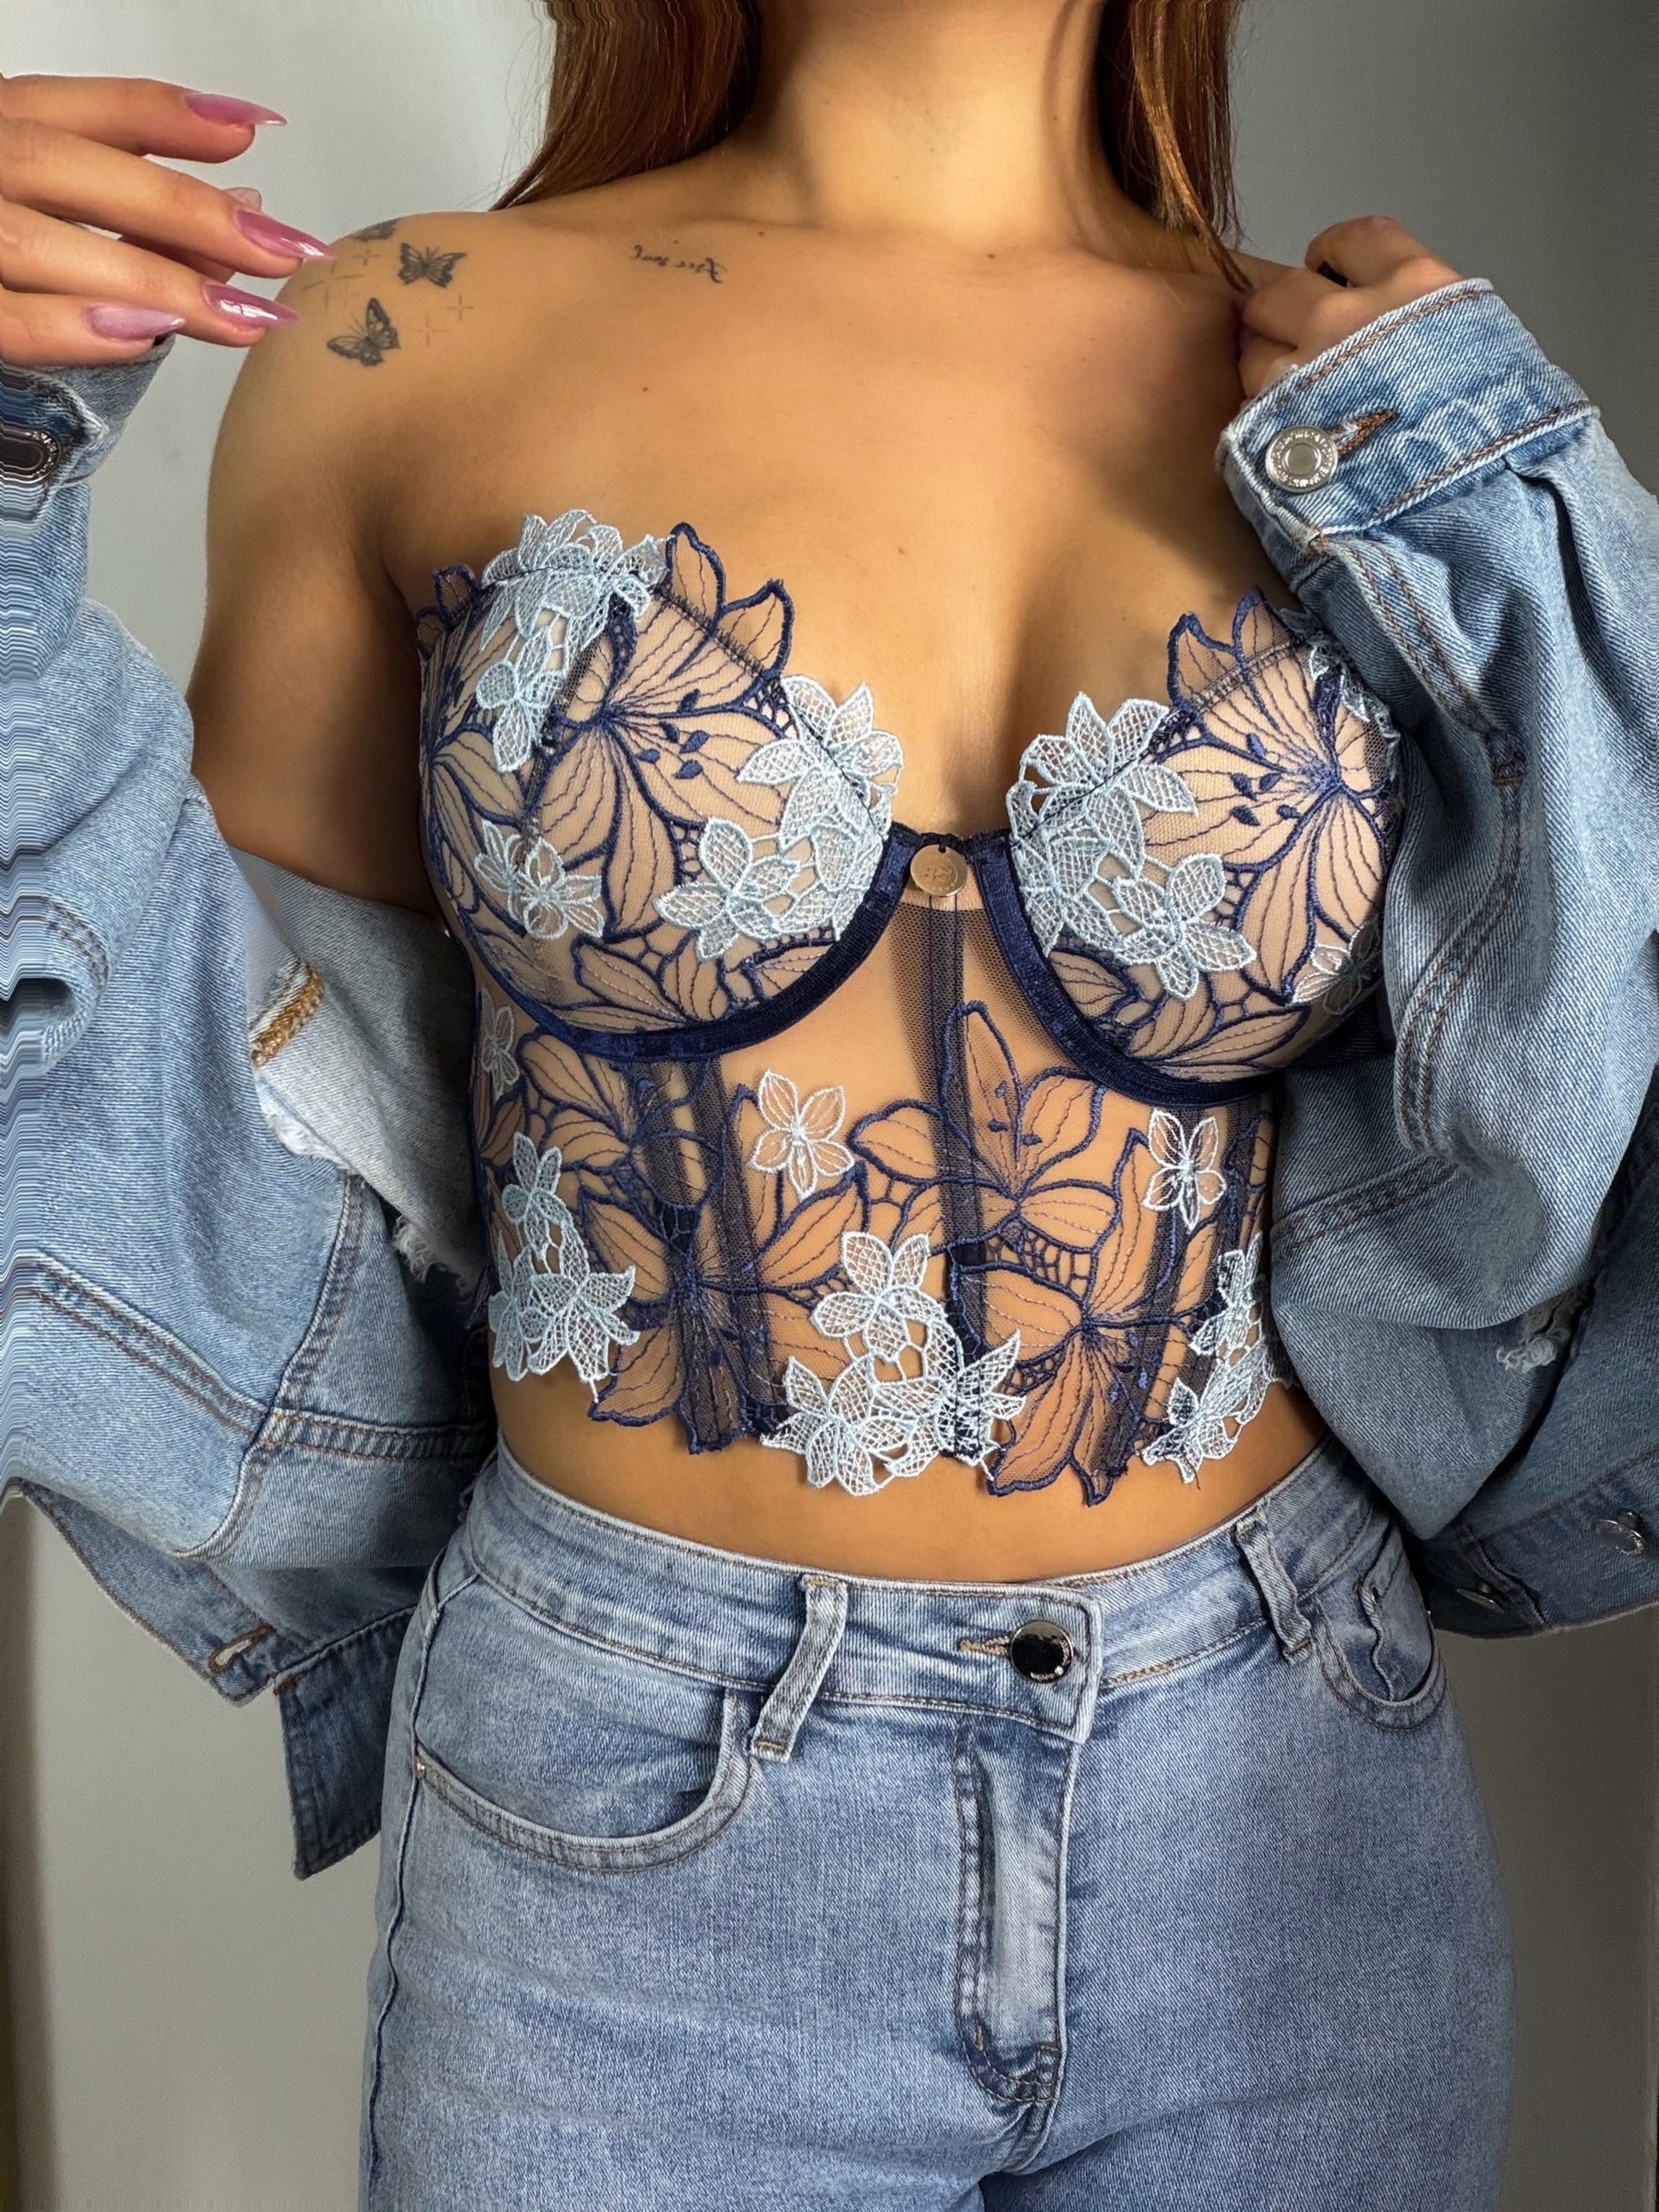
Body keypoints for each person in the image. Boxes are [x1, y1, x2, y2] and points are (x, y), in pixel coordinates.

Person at [6, 4, 1657, 2204]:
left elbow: (1592, 1023)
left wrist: (1539, 516)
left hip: (1286, 1782)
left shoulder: (1376, 423)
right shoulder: (412, 333)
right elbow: (188, 1071)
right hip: (638, 1808)